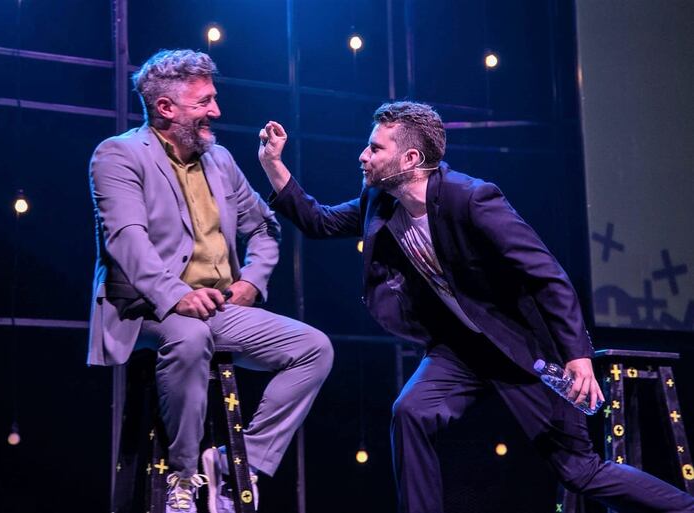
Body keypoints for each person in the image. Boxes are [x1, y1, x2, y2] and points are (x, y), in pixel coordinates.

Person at [258, 101, 694, 513]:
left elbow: (546, 275)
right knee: (410, 413)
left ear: (410, 158)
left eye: (375, 148)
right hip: (461, 350)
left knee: (579, 471)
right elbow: (321, 221)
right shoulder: (381, 201)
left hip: (525, 350)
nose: (363, 156)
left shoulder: (471, 199)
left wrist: (577, 356)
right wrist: (273, 165)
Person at [87, 49, 333, 513]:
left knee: (314, 348)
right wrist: (176, 295)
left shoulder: (219, 159)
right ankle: (181, 478)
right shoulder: (118, 155)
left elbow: (264, 227)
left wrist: (253, 281)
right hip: (146, 308)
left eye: (213, 99)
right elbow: (126, 240)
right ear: (165, 108)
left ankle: (238, 461)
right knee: (189, 335)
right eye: (204, 102)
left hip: (219, 307)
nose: (216, 111)